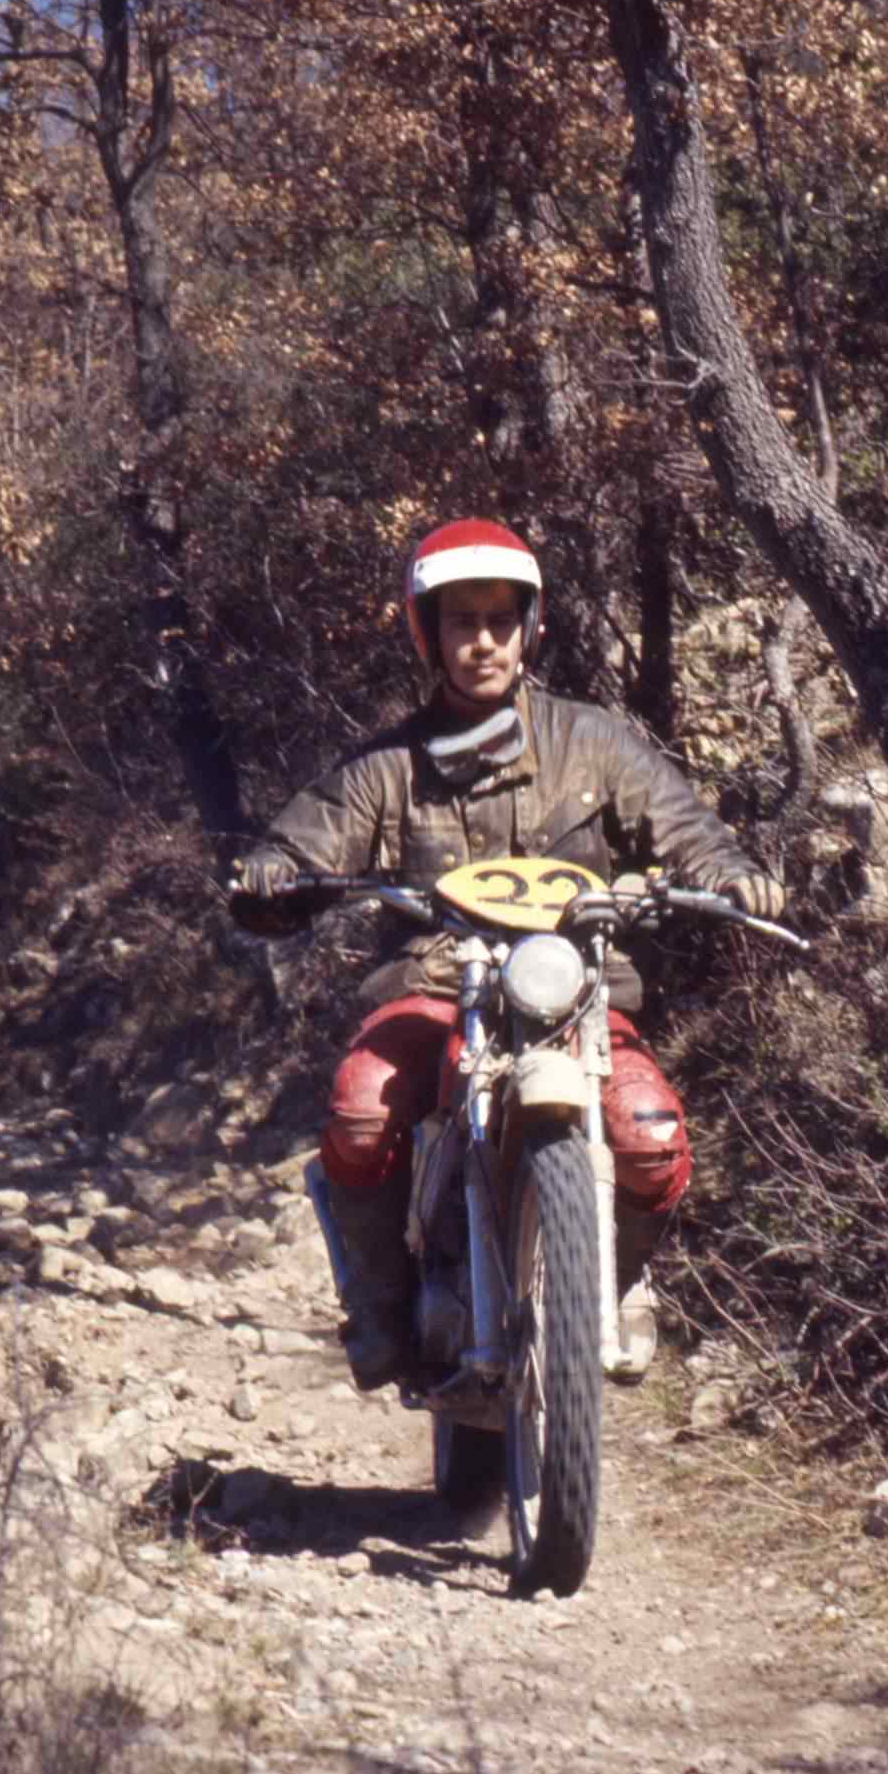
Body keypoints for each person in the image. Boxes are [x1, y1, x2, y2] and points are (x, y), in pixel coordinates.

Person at [234, 518, 784, 1392]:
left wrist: (730, 873)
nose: (483, 640)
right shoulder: (388, 766)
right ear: (429, 632)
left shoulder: (595, 741)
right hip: (435, 985)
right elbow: (312, 834)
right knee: (362, 1107)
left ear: (530, 626)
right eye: (462, 621)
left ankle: (616, 1280)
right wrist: (275, 872)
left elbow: (684, 825)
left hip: (574, 990)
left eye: (500, 619)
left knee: (648, 1133)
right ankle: (381, 1305)